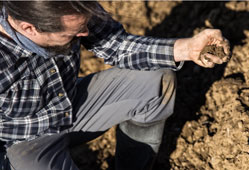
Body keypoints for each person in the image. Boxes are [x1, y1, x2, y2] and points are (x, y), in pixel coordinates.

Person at [0, 1, 230, 170]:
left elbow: (115, 44)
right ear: (30, 28)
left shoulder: (72, 8)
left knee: (156, 81)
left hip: (70, 106)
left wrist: (186, 49)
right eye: (73, 33)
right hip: (23, 141)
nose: (85, 33)